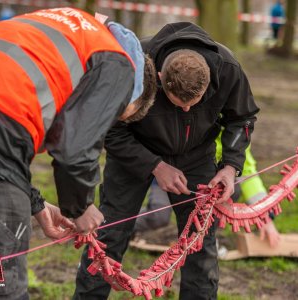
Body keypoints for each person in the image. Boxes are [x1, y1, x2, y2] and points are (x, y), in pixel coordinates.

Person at [74, 22, 259, 300]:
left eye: (193, 103)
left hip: (197, 155)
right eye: (178, 103)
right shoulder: (133, 66)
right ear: (159, 77)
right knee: (108, 236)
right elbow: (109, 129)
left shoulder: (228, 69)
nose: (186, 109)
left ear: (210, 79)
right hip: (134, 149)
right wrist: (155, 166)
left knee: (200, 240)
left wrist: (231, 167)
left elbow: (242, 118)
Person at [0, 7, 157, 300]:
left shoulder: (73, 26)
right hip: (4, 125)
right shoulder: (119, 66)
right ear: (133, 92)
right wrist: (81, 208)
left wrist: (35, 203)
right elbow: (73, 148)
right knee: (4, 284)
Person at [134, 144, 280, 248]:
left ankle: (204, 238)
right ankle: (122, 229)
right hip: (170, 175)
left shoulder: (236, 135)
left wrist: (264, 216)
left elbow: (247, 171)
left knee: (232, 189)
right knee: (158, 216)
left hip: (206, 184)